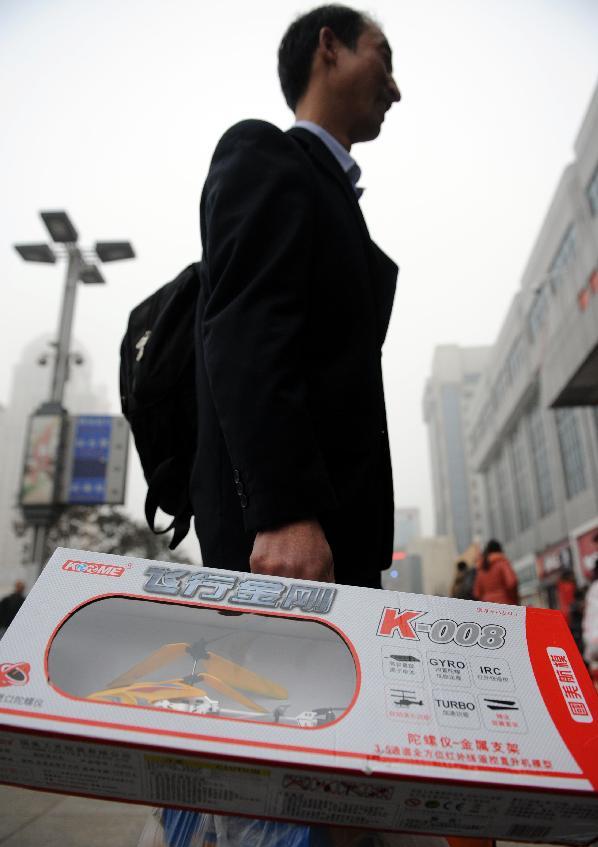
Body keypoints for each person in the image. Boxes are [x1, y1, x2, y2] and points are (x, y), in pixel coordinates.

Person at [191, 5, 401, 589]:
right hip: (288, 545)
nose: (396, 89)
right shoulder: (264, 154)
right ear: (329, 47)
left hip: (331, 541)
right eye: (383, 58)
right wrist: (284, 513)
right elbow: (247, 331)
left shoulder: (330, 194)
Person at [473, 540, 519, 605]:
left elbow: (477, 593)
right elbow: (512, 582)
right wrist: (514, 600)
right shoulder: (502, 563)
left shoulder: (481, 569)